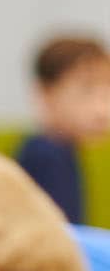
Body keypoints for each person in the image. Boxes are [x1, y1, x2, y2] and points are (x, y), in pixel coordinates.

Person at [19, 34, 110, 224]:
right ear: (46, 94)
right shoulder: (46, 155)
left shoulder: (63, 150)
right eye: (87, 91)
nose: (102, 109)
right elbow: (60, 236)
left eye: (107, 93)